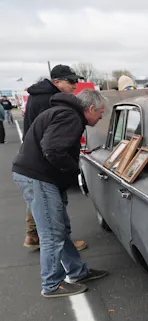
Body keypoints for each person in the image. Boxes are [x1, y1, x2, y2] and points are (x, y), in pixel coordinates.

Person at [12, 89, 109, 298]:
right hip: (39, 177)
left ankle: (77, 272)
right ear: (91, 108)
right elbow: (52, 149)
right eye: (101, 112)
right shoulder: (70, 117)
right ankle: (52, 284)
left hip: (38, 176)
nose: (101, 117)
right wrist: (74, 169)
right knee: (52, 233)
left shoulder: (64, 113)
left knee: (60, 229)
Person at [22, 65, 87, 252]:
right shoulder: (50, 100)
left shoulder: (37, 95)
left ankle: (32, 234)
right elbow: (53, 141)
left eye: (76, 80)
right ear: (57, 82)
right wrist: (69, 166)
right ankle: (61, 242)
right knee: (55, 203)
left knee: (37, 199)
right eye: (71, 81)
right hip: (44, 159)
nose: (75, 85)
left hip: (33, 155)